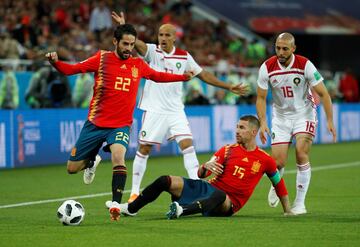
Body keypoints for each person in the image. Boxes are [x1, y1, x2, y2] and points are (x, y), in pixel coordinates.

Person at [46, 24, 193, 221]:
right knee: (71, 169)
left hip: (120, 125)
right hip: (95, 124)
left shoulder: (138, 65)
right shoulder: (101, 59)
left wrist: (182, 77)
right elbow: (73, 69)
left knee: (118, 157)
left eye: (132, 44)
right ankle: (91, 160)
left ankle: (115, 204)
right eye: (125, 44)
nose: (129, 48)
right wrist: (56, 63)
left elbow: (158, 76)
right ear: (115, 42)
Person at [112, 12, 247, 203]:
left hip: (175, 110)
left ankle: (195, 190)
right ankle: (134, 192)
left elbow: (204, 75)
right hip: (155, 109)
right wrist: (125, 26)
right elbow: (137, 43)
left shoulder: (184, 57)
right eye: (160, 35)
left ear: (175, 38)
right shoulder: (152, 51)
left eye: (167, 35)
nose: (163, 38)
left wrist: (228, 86)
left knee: (187, 146)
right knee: (144, 148)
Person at [106, 115, 293, 219]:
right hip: (206, 188)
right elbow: (200, 174)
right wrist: (206, 165)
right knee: (166, 180)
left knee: (220, 195)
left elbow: (278, 183)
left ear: (253, 132)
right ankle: (131, 208)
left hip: (229, 203)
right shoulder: (226, 150)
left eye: (242, 128)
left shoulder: (265, 159)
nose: (237, 130)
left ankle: (181, 210)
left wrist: (287, 209)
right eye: (236, 126)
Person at [256, 32, 337, 215]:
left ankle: (300, 204)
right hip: (281, 118)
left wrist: (330, 120)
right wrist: (263, 122)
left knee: (301, 153)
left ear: (293, 48)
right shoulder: (267, 67)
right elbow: (260, 98)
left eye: (285, 48)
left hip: (304, 115)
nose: (281, 52)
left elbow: (324, 94)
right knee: (278, 162)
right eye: (278, 48)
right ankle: (277, 183)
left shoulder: (305, 64)